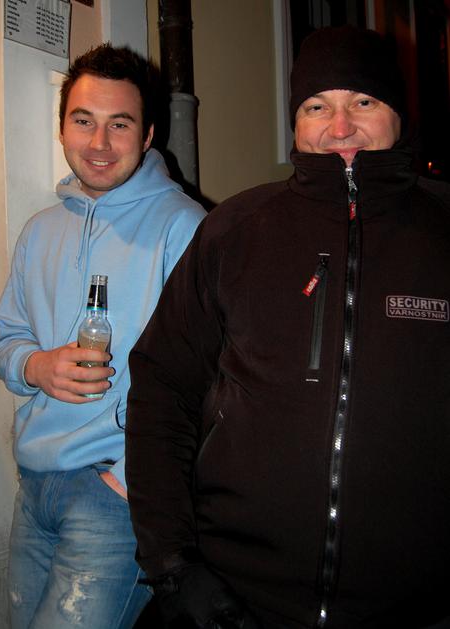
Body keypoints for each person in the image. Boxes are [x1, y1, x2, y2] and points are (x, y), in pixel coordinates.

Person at [125, 25, 450, 629]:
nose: (340, 126)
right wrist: (172, 564)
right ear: (296, 122)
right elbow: (162, 386)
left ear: (398, 114)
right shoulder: (235, 230)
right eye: (316, 106)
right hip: (237, 600)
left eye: (363, 101)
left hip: (411, 606)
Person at [0, 43, 206, 629]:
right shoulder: (40, 230)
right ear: (62, 127)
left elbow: (211, 376)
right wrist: (35, 367)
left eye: (120, 124)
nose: (100, 143)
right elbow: (7, 338)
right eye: (83, 121)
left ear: (148, 134)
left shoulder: (185, 228)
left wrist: (128, 482)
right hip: (34, 488)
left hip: (114, 500)